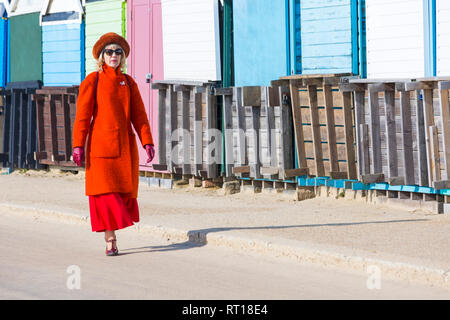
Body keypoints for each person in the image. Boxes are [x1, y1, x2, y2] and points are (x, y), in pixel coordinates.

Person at [72, 32, 155, 256]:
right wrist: (78, 145)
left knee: (121, 195)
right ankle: (111, 240)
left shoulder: (129, 82)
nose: (114, 55)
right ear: (101, 55)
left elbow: (140, 116)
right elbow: (82, 116)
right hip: (100, 149)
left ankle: (112, 236)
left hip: (124, 149)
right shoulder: (93, 80)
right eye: (109, 51)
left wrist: (147, 141)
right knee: (106, 196)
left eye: (118, 52)